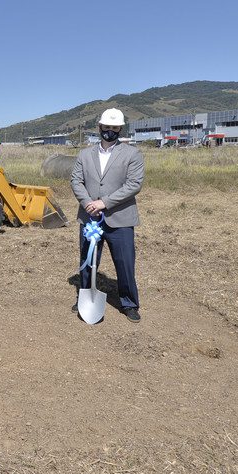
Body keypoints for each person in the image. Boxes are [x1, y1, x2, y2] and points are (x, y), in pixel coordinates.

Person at [70, 108, 145, 322]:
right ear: (100, 127)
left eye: (114, 128)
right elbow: (76, 180)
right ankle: (85, 297)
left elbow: (134, 184)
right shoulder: (85, 154)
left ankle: (129, 303)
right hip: (90, 217)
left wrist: (104, 202)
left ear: (120, 129)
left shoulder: (132, 154)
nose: (109, 131)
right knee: (88, 260)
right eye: (106, 127)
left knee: (125, 262)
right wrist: (88, 203)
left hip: (120, 218)